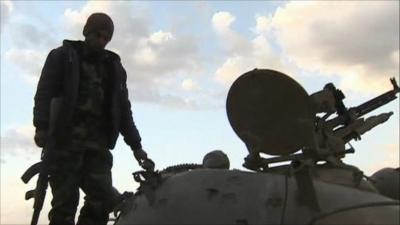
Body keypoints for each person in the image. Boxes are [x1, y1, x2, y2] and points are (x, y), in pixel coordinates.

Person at [33, 12, 154, 225]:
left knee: (101, 199)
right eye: (98, 35)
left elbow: (123, 109)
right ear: (87, 32)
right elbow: (44, 92)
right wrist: (41, 127)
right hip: (64, 142)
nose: (101, 41)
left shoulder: (113, 68)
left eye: (106, 38)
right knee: (64, 204)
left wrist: (136, 146)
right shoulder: (63, 56)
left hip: (97, 145)